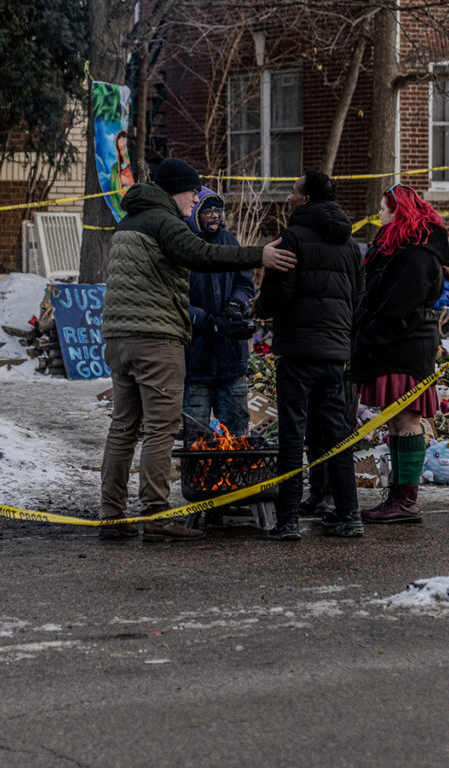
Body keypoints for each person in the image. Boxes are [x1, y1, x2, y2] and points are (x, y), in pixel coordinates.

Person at [99, 158, 296, 542]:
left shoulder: (130, 221)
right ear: (176, 190)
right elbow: (202, 256)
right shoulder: (163, 221)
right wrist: (260, 256)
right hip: (156, 339)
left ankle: (112, 513)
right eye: (192, 191)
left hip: (120, 338)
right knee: (161, 428)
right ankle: (156, 515)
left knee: (124, 426)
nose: (196, 199)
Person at [255, 170, 363, 541]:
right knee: (337, 435)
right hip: (335, 352)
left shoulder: (292, 239)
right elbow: (357, 297)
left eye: (293, 189)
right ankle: (348, 514)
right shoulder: (350, 245)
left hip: (297, 351)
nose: (288, 195)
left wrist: (258, 308)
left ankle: (286, 521)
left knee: (292, 434)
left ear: (306, 198)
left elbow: (276, 296)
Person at [351, 183, 449, 524]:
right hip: (394, 344)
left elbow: (398, 305)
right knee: (396, 421)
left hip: (404, 346)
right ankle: (398, 496)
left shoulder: (417, 254)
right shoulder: (400, 248)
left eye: (384, 208)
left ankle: (406, 500)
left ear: (399, 211)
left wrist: (372, 337)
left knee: (406, 419)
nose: (379, 214)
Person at [181, 189, 254, 437]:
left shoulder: (230, 242)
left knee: (237, 432)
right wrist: (205, 320)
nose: (214, 216)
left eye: (217, 211)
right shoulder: (184, 246)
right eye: (207, 211)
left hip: (231, 358)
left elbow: (245, 283)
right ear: (195, 214)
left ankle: (235, 475)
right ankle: (199, 476)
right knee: (196, 435)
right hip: (195, 357)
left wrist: (235, 306)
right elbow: (174, 297)